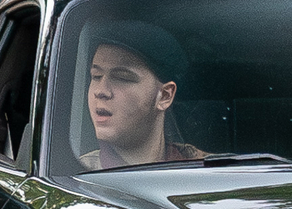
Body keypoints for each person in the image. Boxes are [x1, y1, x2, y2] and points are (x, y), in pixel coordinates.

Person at [78, 23, 204, 169]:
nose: (101, 91)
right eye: (96, 76)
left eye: (122, 78)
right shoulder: (73, 177)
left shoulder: (207, 172)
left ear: (164, 96)